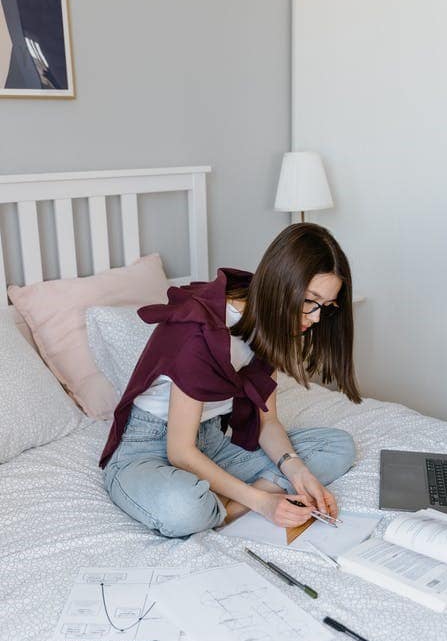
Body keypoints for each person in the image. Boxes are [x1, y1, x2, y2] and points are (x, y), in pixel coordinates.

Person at [100, 222, 361, 538]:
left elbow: (268, 424)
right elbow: (180, 452)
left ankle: (227, 504)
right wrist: (262, 501)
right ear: (282, 282)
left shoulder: (271, 322)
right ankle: (236, 504)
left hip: (212, 443)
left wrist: (297, 470)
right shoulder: (202, 330)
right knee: (184, 508)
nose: (317, 317)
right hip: (148, 451)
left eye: (326, 307)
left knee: (337, 447)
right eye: (310, 300)